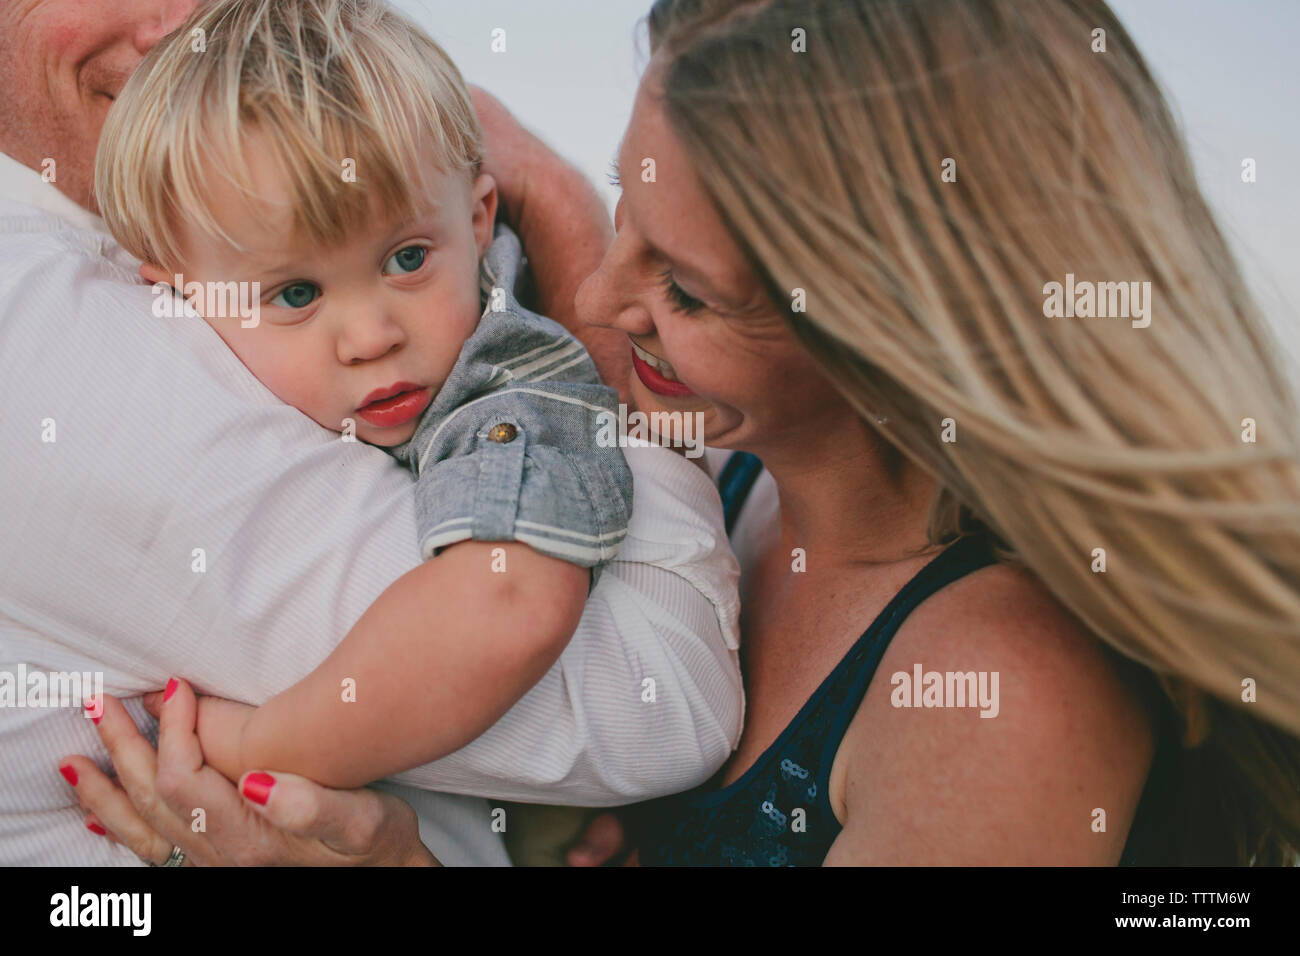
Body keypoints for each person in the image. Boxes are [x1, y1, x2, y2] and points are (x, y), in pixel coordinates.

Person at [73, 0, 1300, 866]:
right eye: (621, 218)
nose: (598, 305)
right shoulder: (725, 471)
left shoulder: (1007, 697)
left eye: (688, 292)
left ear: (890, 333)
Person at [0, 0, 742, 867]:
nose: (370, 337)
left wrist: (251, 745)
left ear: (477, 220)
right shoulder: (38, 313)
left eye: (406, 260)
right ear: (177, 294)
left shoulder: (504, 397)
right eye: (298, 295)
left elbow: (620, 682)